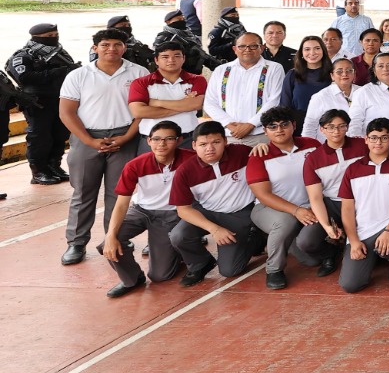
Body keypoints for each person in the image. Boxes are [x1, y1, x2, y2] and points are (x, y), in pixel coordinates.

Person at [56, 29, 143, 265]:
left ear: (125, 47)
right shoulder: (79, 75)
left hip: (125, 137)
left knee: (119, 193)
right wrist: (89, 141)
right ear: (95, 48)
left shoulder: (138, 73)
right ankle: (76, 243)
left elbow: (143, 111)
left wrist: (126, 138)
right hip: (88, 138)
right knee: (83, 193)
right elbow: (67, 112)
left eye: (117, 44)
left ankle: (114, 238)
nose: (111, 49)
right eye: (105, 45)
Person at [169, 121, 264, 285]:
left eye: (216, 142)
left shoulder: (242, 153)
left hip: (239, 214)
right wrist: (215, 229)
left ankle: (256, 236)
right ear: (194, 145)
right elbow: (183, 210)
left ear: (226, 142)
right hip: (208, 212)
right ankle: (201, 264)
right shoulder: (185, 171)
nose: (209, 148)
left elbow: (269, 158)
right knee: (179, 235)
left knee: (229, 271)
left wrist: (263, 146)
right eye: (203, 144)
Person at [101, 119, 187, 298]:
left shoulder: (190, 160)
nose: (161, 144)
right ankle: (131, 279)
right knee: (107, 245)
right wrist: (111, 235)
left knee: (160, 276)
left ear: (179, 140)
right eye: (156, 139)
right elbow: (122, 202)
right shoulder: (135, 165)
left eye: (168, 139)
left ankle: (176, 253)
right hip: (141, 210)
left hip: (171, 214)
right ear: (148, 141)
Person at [336, 118, 389, 292]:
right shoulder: (353, 169)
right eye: (373, 137)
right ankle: (374, 255)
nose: (378, 142)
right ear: (366, 139)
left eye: (384, 137)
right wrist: (354, 241)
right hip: (364, 230)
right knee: (350, 285)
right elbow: (347, 209)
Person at [244, 106, 320, 290]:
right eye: (272, 126)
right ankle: (274, 270)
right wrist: (296, 211)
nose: (279, 130)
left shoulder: (312, 145)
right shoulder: (259, 155)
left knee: (311, 261)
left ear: (294, 125)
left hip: (310, 206)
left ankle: (285, 240)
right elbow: (263, 194)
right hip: (270, 209)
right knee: (286, 222)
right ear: (265, 131)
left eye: (284, 124)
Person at [297, 108, 366, 278]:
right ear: (322, 129)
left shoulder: (362, 145)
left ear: (348, 127)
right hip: (332, 204)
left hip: (362, 202)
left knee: (365, 248)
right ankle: (330, 252)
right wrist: (327, 226)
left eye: (341, 126)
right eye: (330, 127)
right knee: (306, 241)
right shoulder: (313, 158)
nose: (336, 131)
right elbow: (315, 197)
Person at [8, 22, 79, 184]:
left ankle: (54, 165)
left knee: (59, 134)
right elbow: (24, 77)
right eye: (48, 37)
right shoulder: (23, 56)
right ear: (36, 37)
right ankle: (39, 171)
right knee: (40, 137)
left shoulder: (61, 53)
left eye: (55, 35)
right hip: (37, 103)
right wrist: (54, 73)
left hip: (60, 100)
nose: (53, 39)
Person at [203, 32, 286, 148]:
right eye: (242, 46)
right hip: (229, 136)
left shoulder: (274, 68)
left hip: (261, 136)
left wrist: (251, 124)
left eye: (253, 46)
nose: (247, 50)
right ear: (235, 49)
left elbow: (275, 100)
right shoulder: (221, 70)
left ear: (262, 48)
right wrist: (230, 124)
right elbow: (210, 102)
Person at [125, 40, 206, 149]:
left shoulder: (197, 80)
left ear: (184, 58)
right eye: (165, 57)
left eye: (177, 56)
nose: (171, 60)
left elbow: (196, 105)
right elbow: (138, 112)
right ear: (156, 60)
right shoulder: (141, 82)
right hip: (152, 141)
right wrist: (184, 105)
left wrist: (156, 102)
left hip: (187, 139)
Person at [281, 37, 331, 133]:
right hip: (299, 125)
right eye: (307, 49)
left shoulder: (333, 74)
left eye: (317, 48)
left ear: (323, 51)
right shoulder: (292, 74)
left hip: (329, 124)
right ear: (301, 53)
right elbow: (285, 105)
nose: (312, 53)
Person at [350, 52, 389, 139]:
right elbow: (355, 121)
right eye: (380, 66)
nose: (385, 69)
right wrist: (357, 142)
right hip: (377, 144)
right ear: (374, 71)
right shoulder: (363, 92)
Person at [304, 58, 360, 137]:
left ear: (354, 74)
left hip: (358, 143)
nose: (344, 74)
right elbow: (309, 127)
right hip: (329, 145)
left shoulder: (363, 92)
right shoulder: (320, 97)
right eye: (339, 71)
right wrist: (309, 148)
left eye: (349, 70)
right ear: (332, 76)